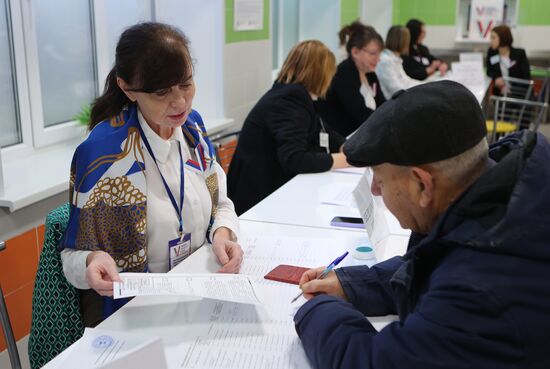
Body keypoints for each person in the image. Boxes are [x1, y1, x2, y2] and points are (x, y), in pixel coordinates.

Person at [294, 80, 550, 369]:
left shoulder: (478, 289)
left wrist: (316, 309)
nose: (375, 190)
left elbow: (371, 362)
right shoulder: (509, 195)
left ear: (422, 184)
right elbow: (437, 261)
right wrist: (351, 285)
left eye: (379, 177)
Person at [60, 22, 243, 326]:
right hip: (139, 313)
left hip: (199, 296)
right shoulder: (104, 153)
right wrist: (92, 261)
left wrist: (223, 233)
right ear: (127, 88)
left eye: (186, 84)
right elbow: (72, 257)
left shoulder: (193, 129)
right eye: (162, 92)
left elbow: (221, 203)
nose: (181, 102)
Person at [227, 40, 348, 215]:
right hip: (259, 199)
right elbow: (295, 159)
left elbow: (324, 130)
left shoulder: (294, 95)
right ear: (321, 74)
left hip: (272, 188)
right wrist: (342, 160)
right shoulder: (288, 100)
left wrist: (347, 147)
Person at [315, 22, 385, 137]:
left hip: (361, 135)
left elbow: (382, 105)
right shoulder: (344, 74)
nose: (378, 59)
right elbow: (360, 114)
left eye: (379, 54)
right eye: (373, 53)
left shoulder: (370, 74)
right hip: (342, 140)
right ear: (355, 52)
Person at [376, 26, 421, 99]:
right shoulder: (386, 61)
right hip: (392, 103)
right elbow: (396, 88)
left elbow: (406, 80)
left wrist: (425, 85)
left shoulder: (394, 58)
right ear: (403, 42)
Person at [487, 24, 530, 96]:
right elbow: (489, 71)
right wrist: (496, 78)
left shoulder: (519, 54)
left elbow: (526, 79)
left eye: (493, 38)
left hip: (518, 95)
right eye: (490, 38)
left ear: (503, 38)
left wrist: (510, 89)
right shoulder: (492, 53)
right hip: (499, 95)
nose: (491, 41)